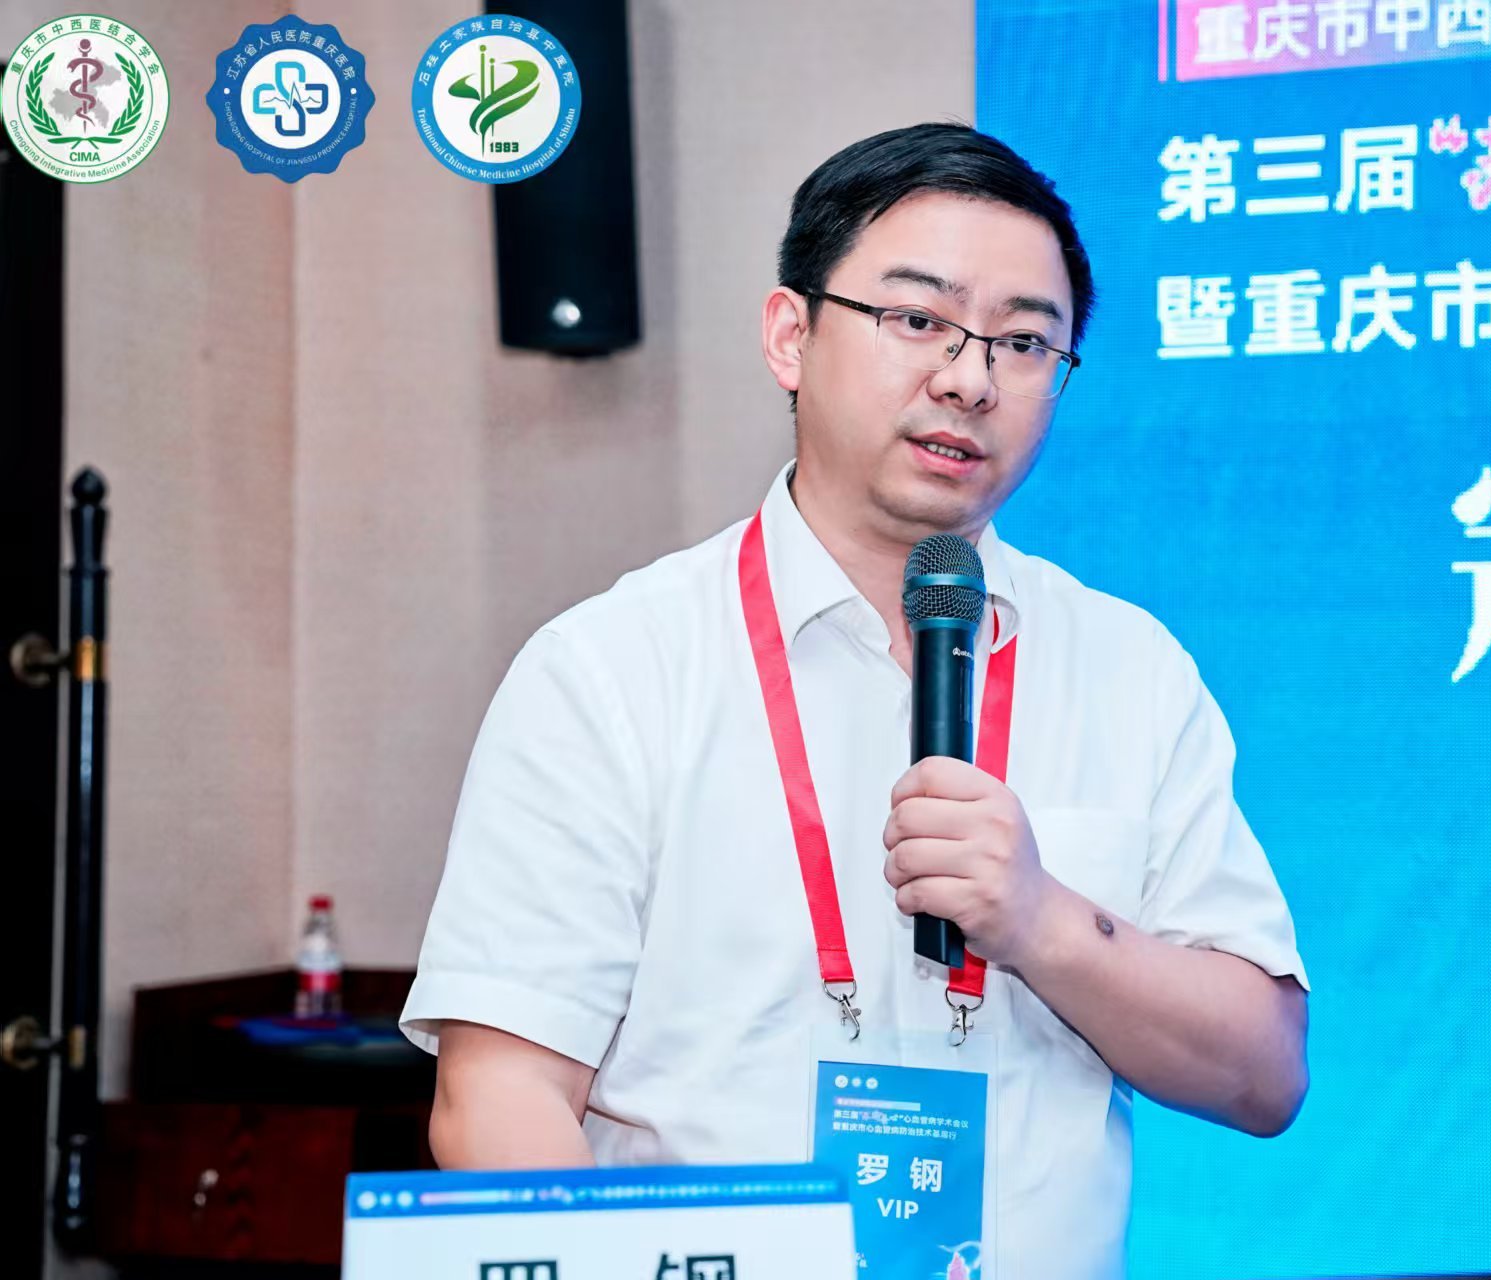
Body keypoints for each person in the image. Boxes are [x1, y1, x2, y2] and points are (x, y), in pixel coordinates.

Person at [400, 121, 1308, 1279]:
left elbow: (1264, 1073)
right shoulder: (613, 668)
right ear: (792, 335)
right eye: (919, 319)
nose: (969, 378)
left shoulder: (1132, 670)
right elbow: (498, 1095)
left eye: (1025, 341)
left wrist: (1039, 919)